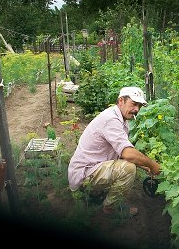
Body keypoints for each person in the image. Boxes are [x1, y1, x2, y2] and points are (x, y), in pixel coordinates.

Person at [68, 86, 160, 216]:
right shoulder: (111, 120)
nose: (137, 109)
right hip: (84, 174)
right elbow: (127, 154)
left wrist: (146, 167)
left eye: (139, 106)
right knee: (128, 169)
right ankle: (111, 208)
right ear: (121, 100)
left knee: (128, 164)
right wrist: (153, 164)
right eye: (134, 104)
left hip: (94, 167)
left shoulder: (120, 119)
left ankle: (97, 194)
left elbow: (121, 154)